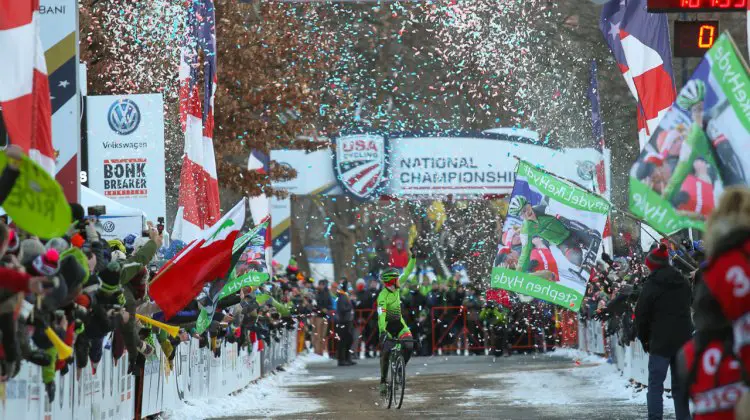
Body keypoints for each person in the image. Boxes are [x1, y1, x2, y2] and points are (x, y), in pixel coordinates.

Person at [635, 243, 693, 420]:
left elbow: (641, 314)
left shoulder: (651, 285)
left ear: (651, 265)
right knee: (680, 386)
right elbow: (690, 301)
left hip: (660, 342)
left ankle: (655, 417)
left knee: (655, 385)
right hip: (683, 340)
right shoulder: (682, 281)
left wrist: (644, 338)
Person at [377, 249, 416, 397]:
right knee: (386, 353)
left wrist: (413, 257)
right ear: (392, 281)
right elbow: (381, 315)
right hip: (387, 327)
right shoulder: (382, 296)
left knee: (409, 345)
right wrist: (382, 331)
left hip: (400, 325)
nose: (400, 280)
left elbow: (408, 272)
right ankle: (383, 381)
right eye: (397, 279)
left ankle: (400, 368)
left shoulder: (397, 290)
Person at [335, 281, 355, 366]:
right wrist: (350, 307)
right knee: (343, 340)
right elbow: (342, 309)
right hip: (343, 321)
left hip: (346, 321)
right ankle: (342, 359)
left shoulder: (345, 296)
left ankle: (347, 358)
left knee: (348, 340)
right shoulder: (342, 296)